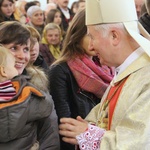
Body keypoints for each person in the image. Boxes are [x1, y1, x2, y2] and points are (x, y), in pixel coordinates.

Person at [58, 0, 150, 149]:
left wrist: (88, 134)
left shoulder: (146, 77)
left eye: (92, 37)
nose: (90, 46)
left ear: (114, 36)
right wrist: (88, 126)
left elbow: (138, 142)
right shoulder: (125, 71)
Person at [49, 9, 114, 150]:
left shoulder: (106, 67)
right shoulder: (60, 70)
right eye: (90, 36)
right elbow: (64, 123)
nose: (95, 42)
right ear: (77, 35)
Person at [0, 21, 60, 150]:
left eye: (26, 49)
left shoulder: (37, 87)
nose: (22, 56)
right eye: (13, 48)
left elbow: (50, 136)